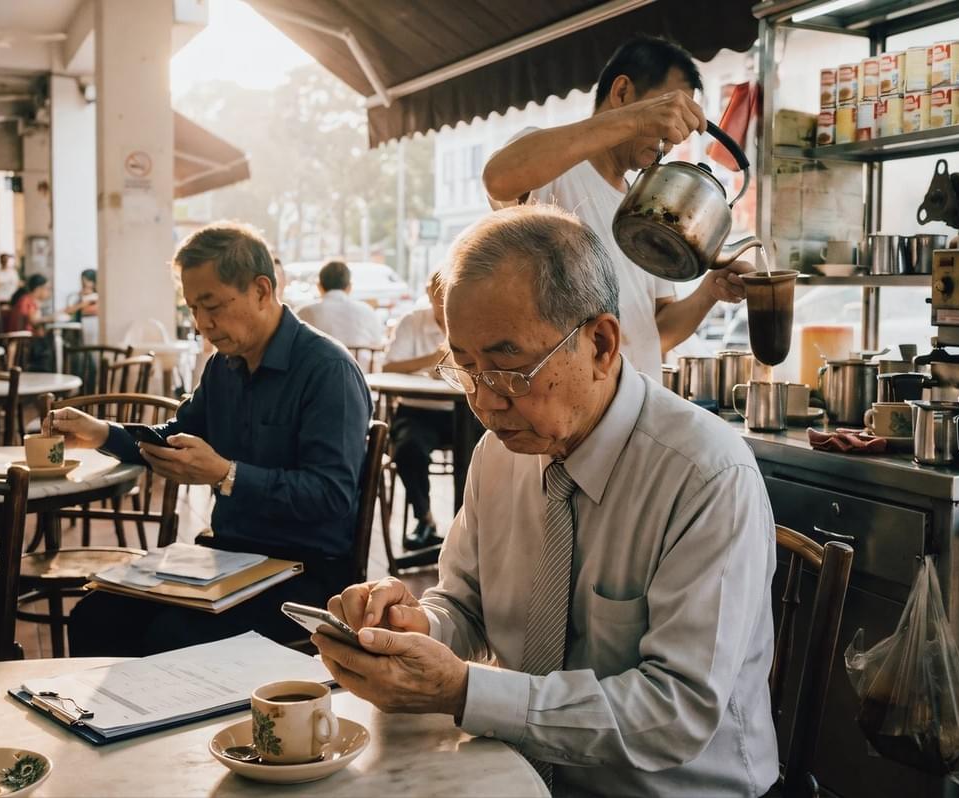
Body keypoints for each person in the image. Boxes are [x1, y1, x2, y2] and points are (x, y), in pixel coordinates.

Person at [315, 205, 779, 797]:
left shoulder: (703, 475)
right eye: (465, 367)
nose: (484, 402)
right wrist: (414, 625)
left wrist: (463, 691)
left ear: (602, 343)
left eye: (509, 368)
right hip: (514, 775)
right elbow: (464, 604)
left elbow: (676, 712)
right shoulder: (499, 454)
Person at [49, 222, 373, 656]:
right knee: (94, 615)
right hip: (229, 560)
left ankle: (164, 724)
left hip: (307, 573)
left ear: (261, 290)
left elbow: (331, 496)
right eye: (193, 310)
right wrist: (101, 432)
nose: (202, 324)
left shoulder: (327, 371)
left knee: (171, 636)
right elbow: (173, 439)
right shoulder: (225, 366)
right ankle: (115, 725)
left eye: (212, 305)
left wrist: (228, 475)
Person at [482, 34, 753, 379]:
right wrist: (636, 120)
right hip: (565, 409)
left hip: (634, 406)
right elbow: (499, 177)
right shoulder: (556, 166)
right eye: (667, 113)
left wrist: (709, 291)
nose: (672, 136)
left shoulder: (648, 207)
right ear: (622, 92)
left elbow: (655, 333)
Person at [381, 270, 451, 550]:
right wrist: (430, 360)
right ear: (428, 291)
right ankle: (425, 518)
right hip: (418, 409)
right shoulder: (412, 321)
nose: (444, 299)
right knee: (407, 448)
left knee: (488, 449)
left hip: (464, 410)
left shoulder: (470, 320)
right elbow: (389, 367)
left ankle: (471, 527)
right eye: (438, 292)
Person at [296, 260, 384, 354]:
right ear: (349, 287)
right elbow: (378, 343)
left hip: (320, 368)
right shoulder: (367, 311)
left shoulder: (305, 312)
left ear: (319, 286)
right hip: (361, 368)